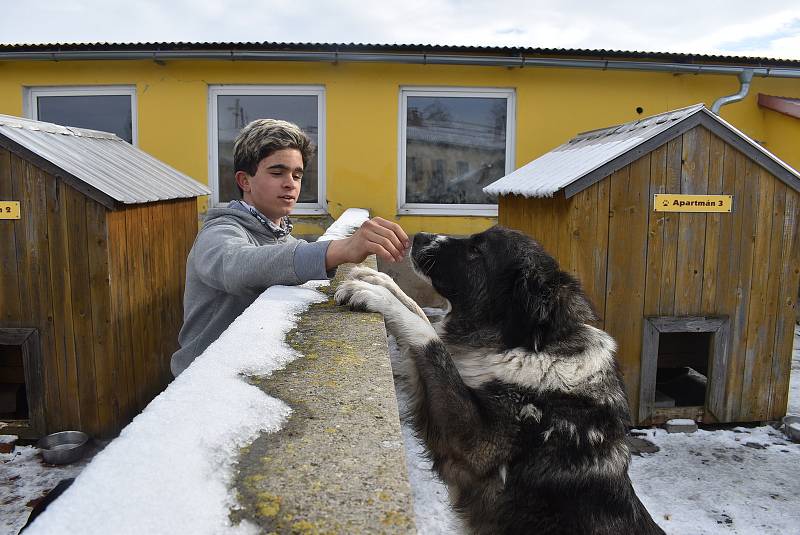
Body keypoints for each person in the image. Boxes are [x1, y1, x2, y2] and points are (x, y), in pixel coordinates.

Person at [170, 119, 409, 377]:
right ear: (244, 181)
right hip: (202, 384)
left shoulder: (283, 237)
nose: (290, 183)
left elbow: (289, 257)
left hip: (247, 374)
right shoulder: (218, 232)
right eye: (277, 172)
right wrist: (340, 249)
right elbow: (237, 266)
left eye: (297, 174)